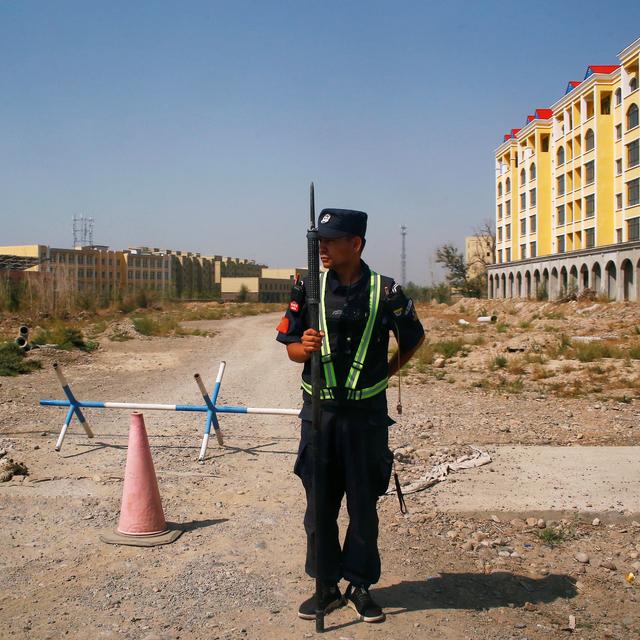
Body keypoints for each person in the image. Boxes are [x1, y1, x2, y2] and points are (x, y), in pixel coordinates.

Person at [276, 208, 425, 623]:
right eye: (319, 240)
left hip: (366, 418)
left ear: (355, 244)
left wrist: (383, 375)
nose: (321, 246)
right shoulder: (308, 288)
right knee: (319, 506)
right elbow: (289, 347)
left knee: (363, 505)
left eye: (332, 239)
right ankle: (325, 586)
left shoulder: (386, 291)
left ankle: (360, 586)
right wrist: (302, 349)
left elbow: (414, 339)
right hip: (319, 415)